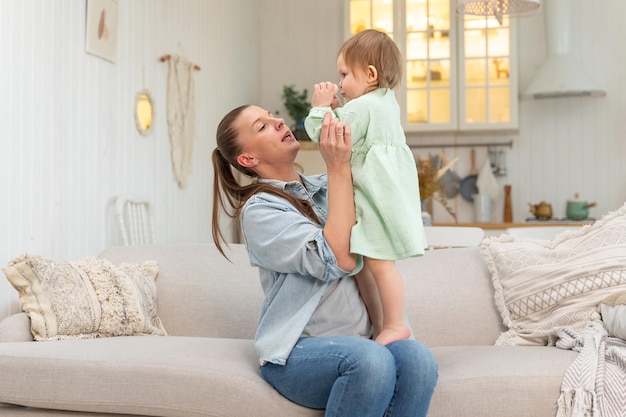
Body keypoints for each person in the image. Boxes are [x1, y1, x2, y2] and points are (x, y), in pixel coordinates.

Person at [211, 105, 437, 417]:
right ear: (248, 159)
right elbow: (339, 258)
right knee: (370, 360)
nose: (278, 122)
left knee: (417, 360)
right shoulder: (260, 211)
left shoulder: (328, 188)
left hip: (365, 344)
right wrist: (338, 167)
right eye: (262, 127)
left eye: (273, 116)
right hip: (297, 355)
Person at [304, 29, 427, 346]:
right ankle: (384, 322)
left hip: (373, 200)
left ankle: (395, 323)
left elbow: (324, 133)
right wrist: (338, 108)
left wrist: (319, 107)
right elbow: (349, 129)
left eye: (344, 74)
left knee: (379, 265)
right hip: (385, 197)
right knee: (369, 263)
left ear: (369, 74)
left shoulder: (363, 107)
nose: (341, 83)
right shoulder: (385, 102)